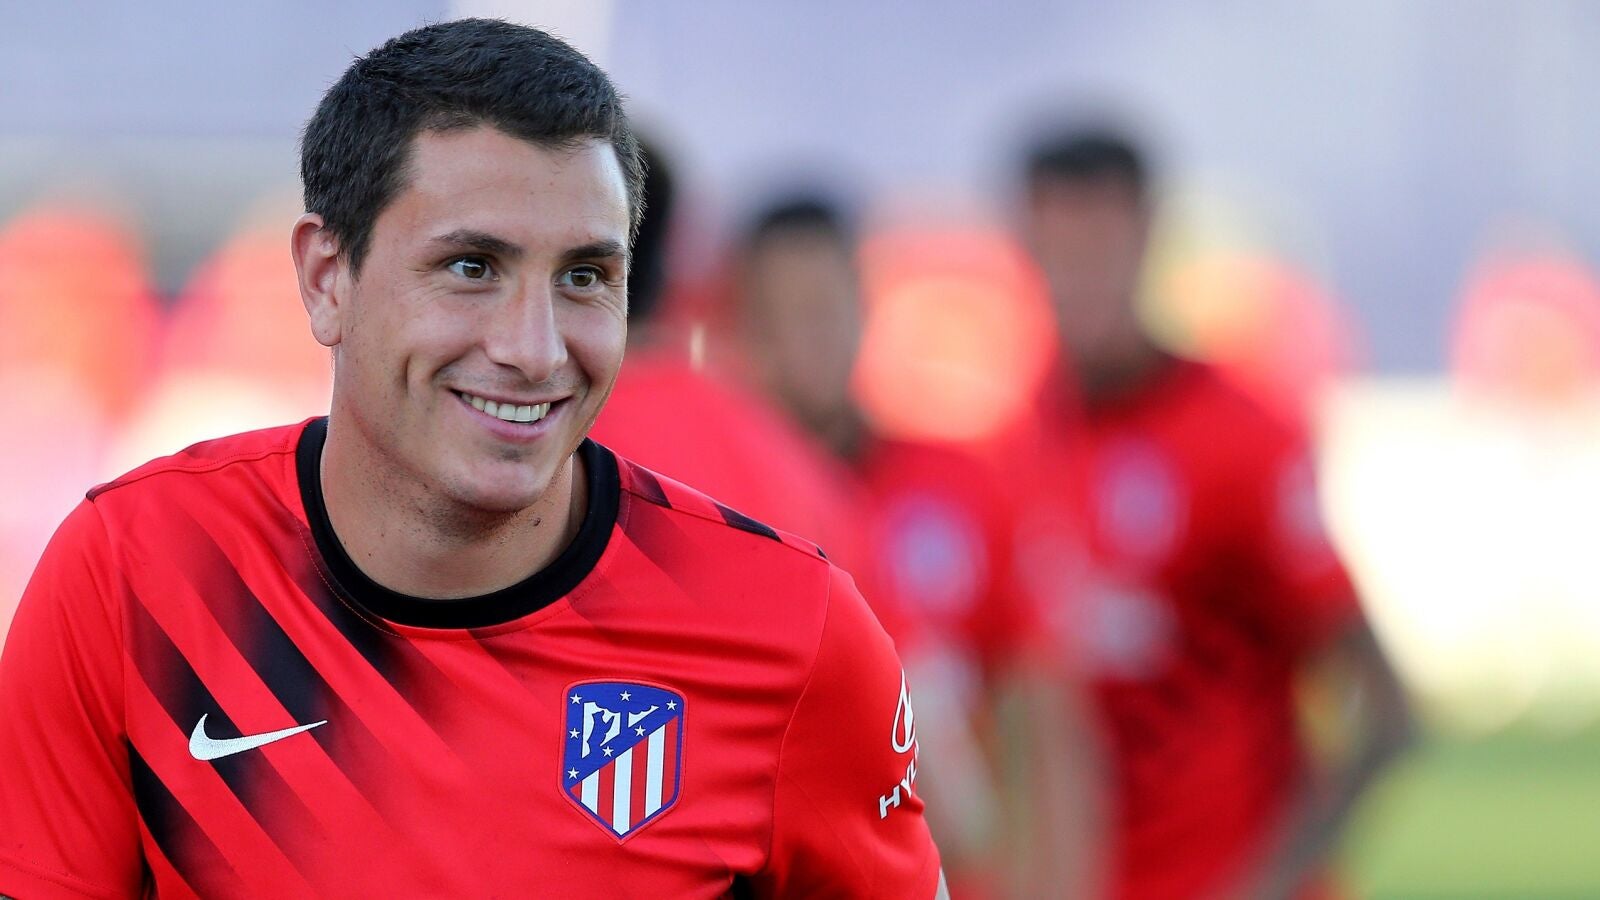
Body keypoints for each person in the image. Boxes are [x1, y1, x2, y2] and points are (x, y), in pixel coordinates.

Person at [0, 20, 945, 898]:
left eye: (584, 276)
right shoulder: (134, 573)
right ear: (326, 279)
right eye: (471, 267)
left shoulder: (793, 632)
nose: (535, 348)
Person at [1015, 127, 1414, 899]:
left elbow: (1386, 711)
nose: (1079, 278)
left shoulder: (1244, 438)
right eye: (1059, 250)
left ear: (1150, 239)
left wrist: (1269, 884)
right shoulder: (1012, 446)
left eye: (1099, 247)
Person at [730, 194, 1103, 898]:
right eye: (783, 319)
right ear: (745, 333)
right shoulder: (718, 511)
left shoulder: (960, 485)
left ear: (864, 308)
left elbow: (1043, 715)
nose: (808, 342)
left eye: (823, 310)